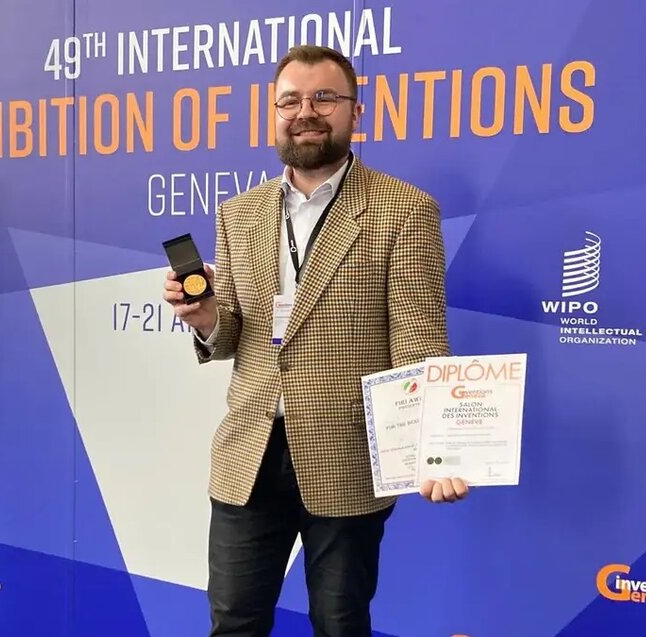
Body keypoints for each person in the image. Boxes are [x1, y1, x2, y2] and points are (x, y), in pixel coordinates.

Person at [163, 44, 469, 637]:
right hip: (247, 456)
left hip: (348, 457)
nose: (306, 111)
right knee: (232, 621)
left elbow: (419, 338)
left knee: (340, 623)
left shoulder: (403, 210)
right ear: (273, 114)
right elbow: (237, 337)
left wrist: (440, 446)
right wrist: (203, 317)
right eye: (290, 101)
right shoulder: (239, 213)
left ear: (357, 113)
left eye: (324, 98)